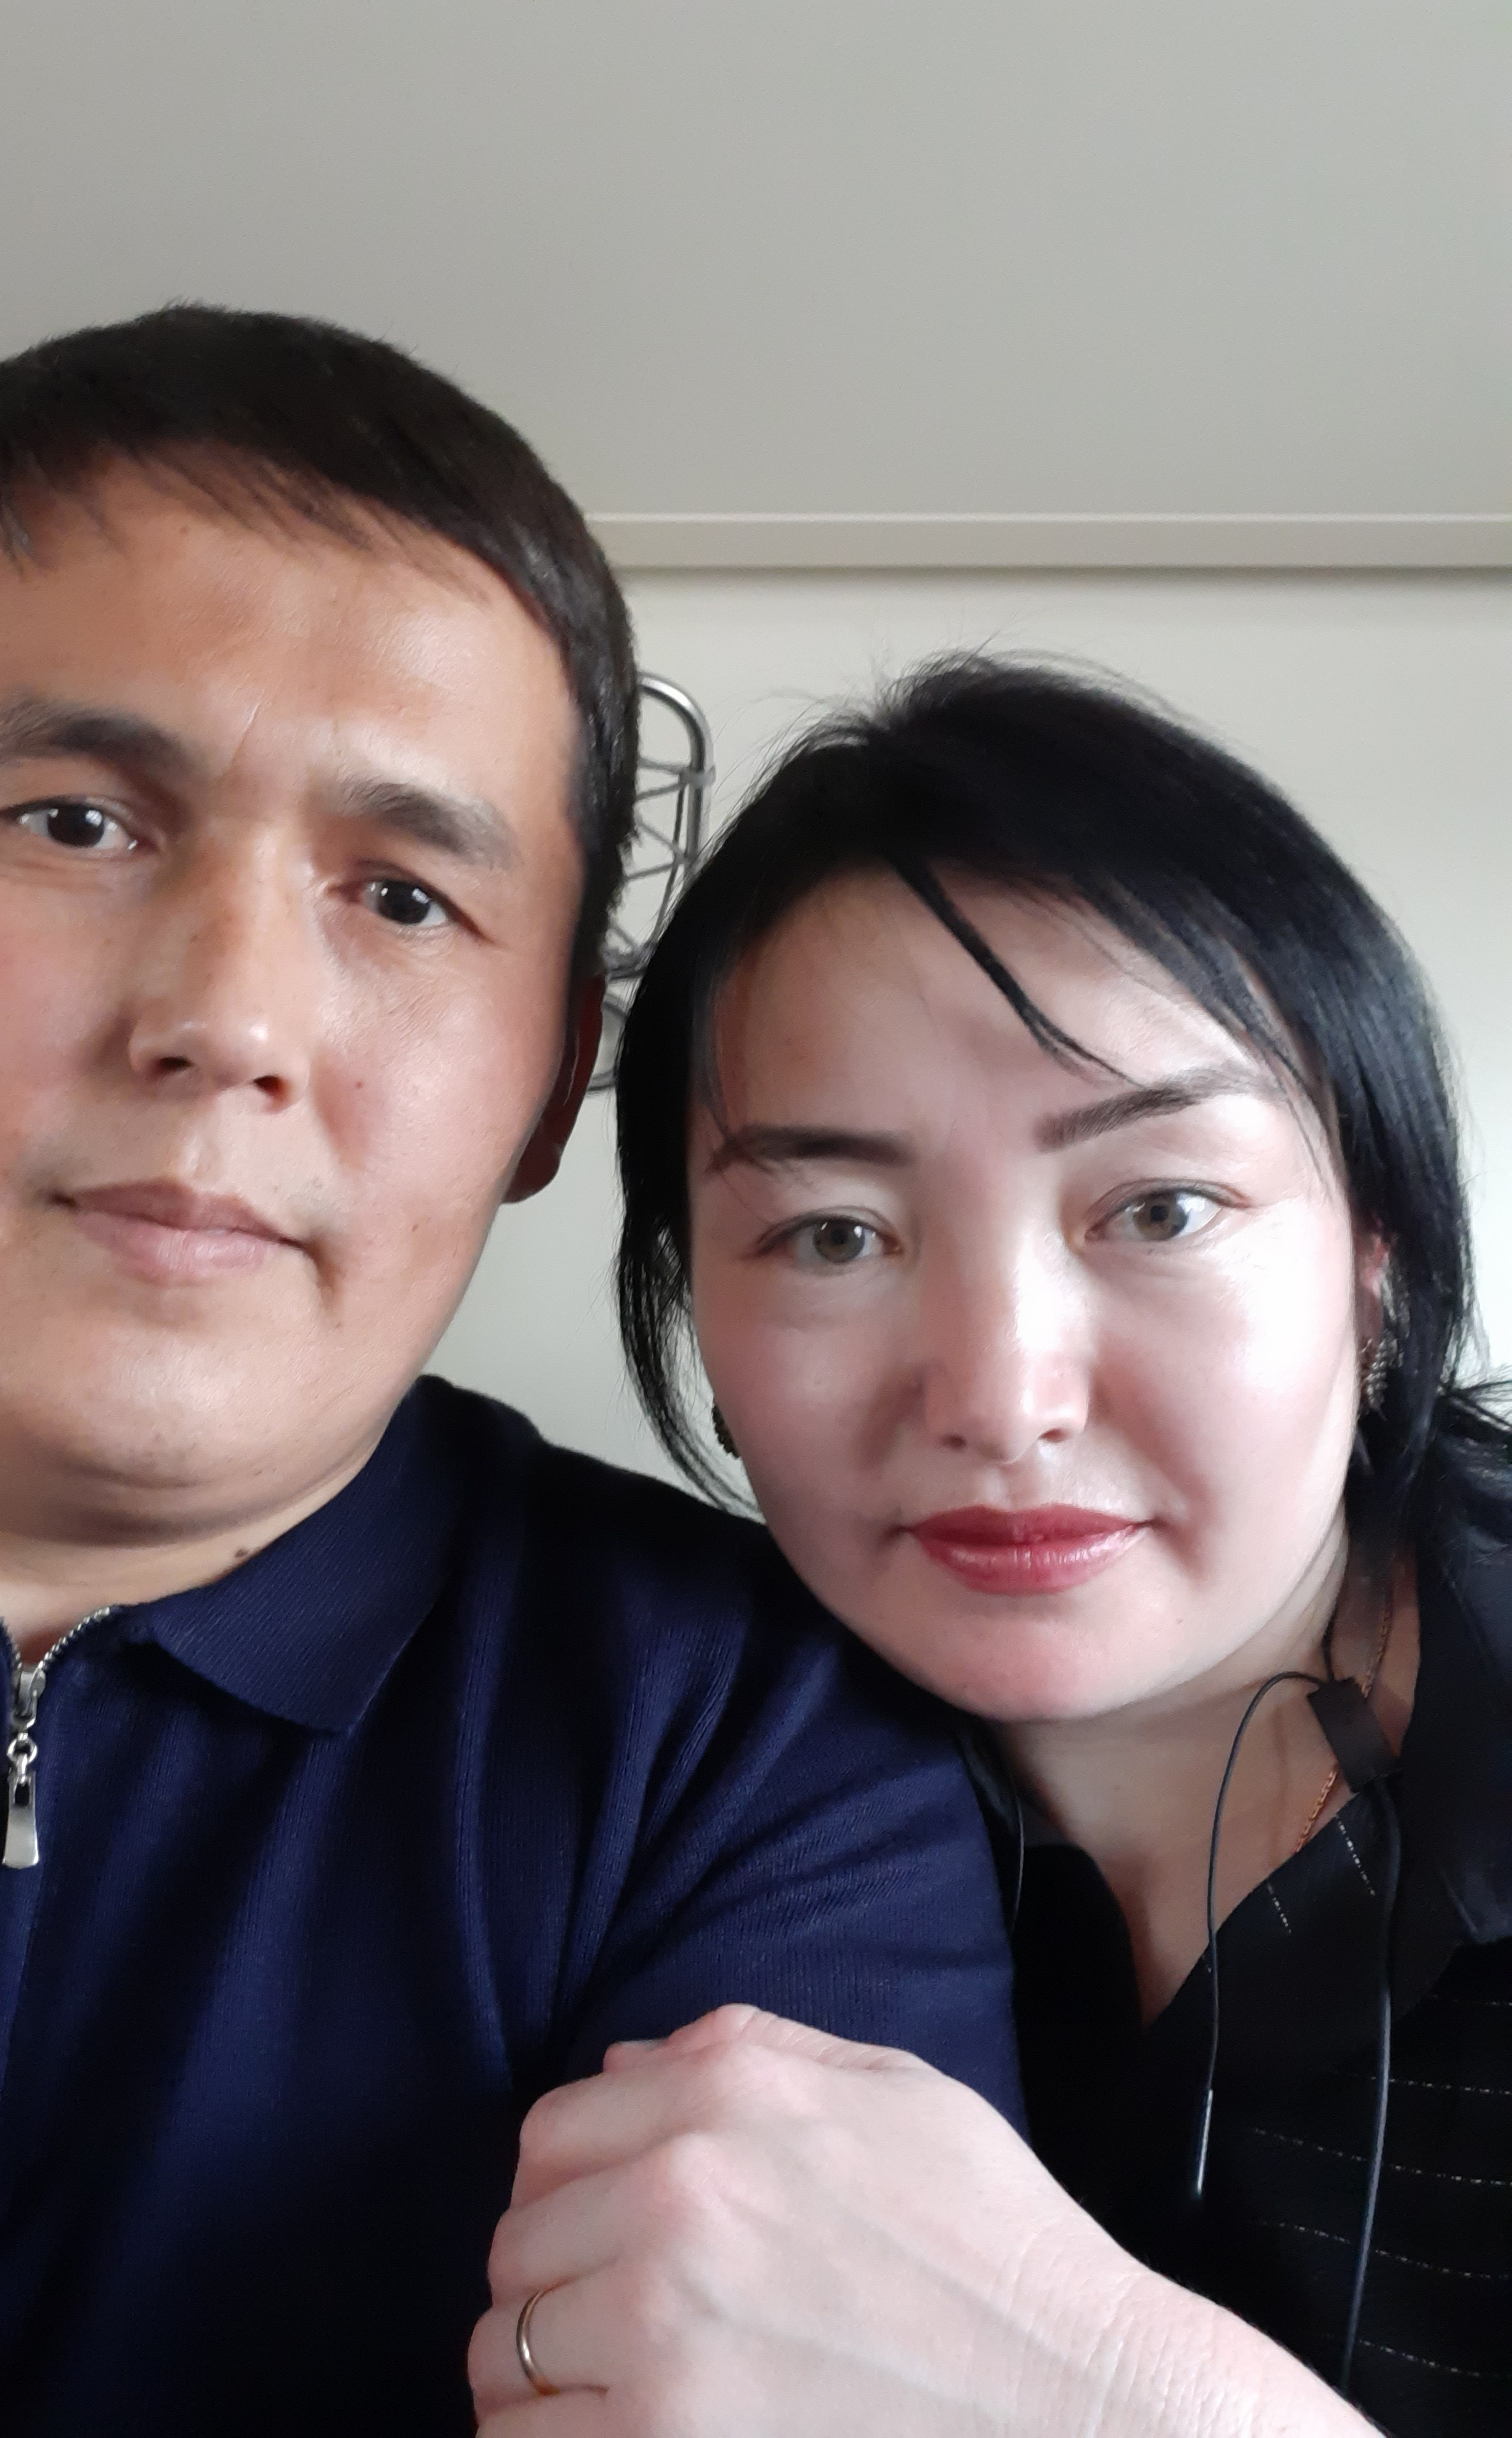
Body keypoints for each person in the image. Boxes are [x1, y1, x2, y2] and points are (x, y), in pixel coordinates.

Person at [0, 316, 1020, 2435]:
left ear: (553, 1090)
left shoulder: (740, 1746)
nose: (228, 1021)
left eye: (402, 894)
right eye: (75, 822)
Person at [470, 659, 1512, 2435]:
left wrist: (1103, 2391)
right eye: (833, 1236)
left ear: (1376, 1259)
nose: (1001, 1397)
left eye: (1159, 1207)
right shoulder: (678, 1778)